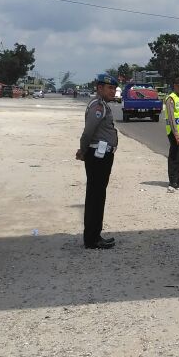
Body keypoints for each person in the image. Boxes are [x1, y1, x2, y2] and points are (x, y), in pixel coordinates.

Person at [75, 73, 119, 249]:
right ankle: (92, 239)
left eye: (114, 88)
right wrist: (83, 150)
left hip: (101, 155)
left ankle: (94, 235)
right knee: (95, 196)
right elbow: (88, 132)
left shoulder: (102, 105)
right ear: (99, 88)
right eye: (110, 88)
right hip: (97, 156)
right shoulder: (98, 106)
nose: (113, 91)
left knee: (98, 195)